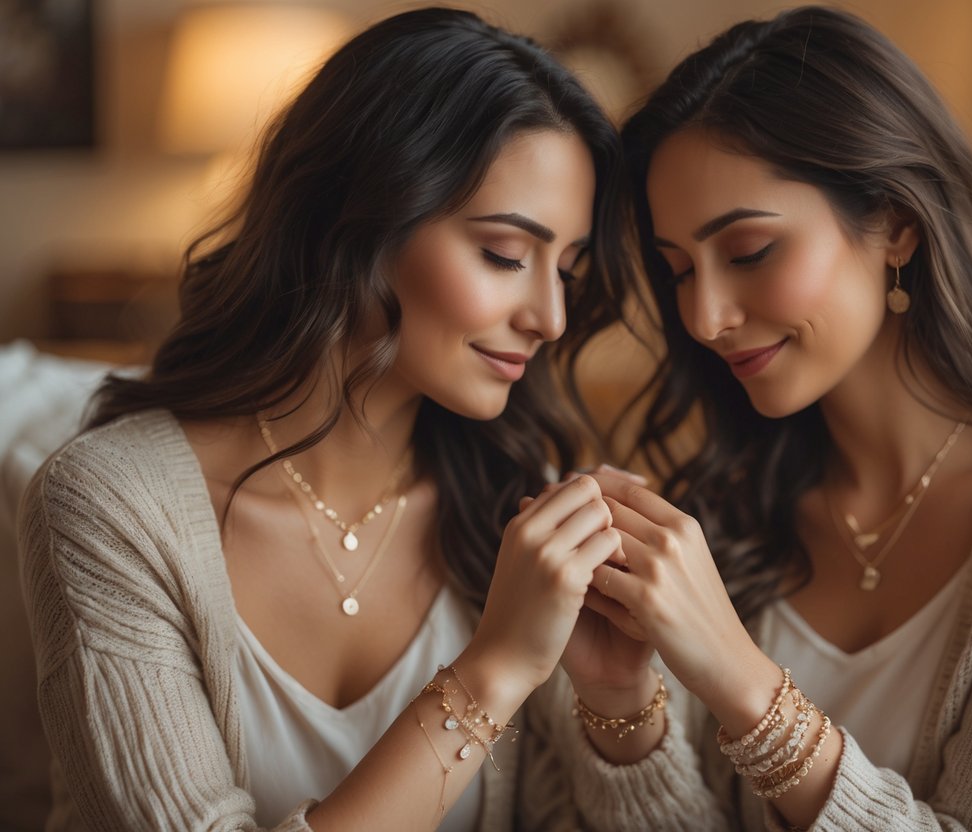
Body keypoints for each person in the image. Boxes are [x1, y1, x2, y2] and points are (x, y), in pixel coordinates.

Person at [528, 6, 972, 830]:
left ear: (897, 224)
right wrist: (623, 708)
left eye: (748, 252)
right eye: (676, 271)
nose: (703, 317)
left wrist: (737, 677)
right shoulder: (730, 505)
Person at [18, 7, 632, 830]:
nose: (551, 317)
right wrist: (491, 673)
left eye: (567, 268)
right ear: (359, 220)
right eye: (504, 256)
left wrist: (622, 704)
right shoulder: (111, 505)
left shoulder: (518, 507)